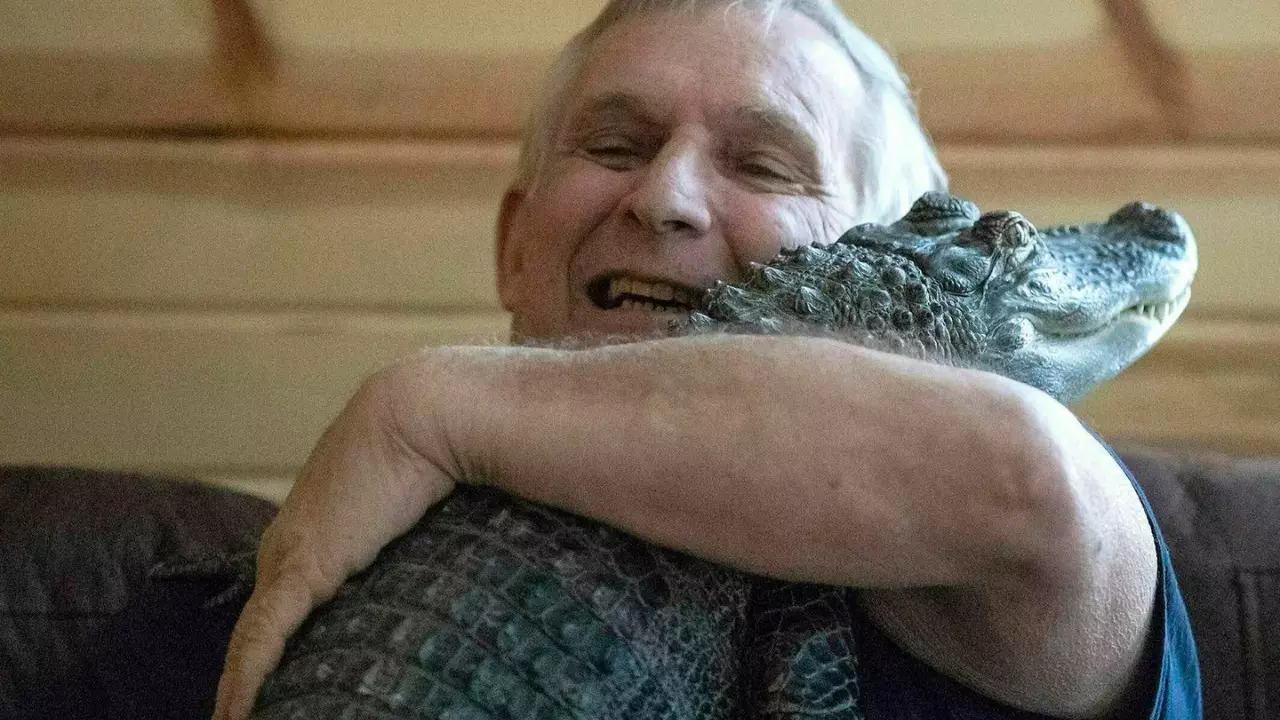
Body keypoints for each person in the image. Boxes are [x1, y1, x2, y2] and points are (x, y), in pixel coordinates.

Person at [212, 1, 1200, 718]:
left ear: (892, 241)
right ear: (515, 247)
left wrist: (425, 405)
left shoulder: (1021, 573)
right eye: (612, 144)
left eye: (763, 164)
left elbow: (1016, 478)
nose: (664, 198)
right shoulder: (229, 596)